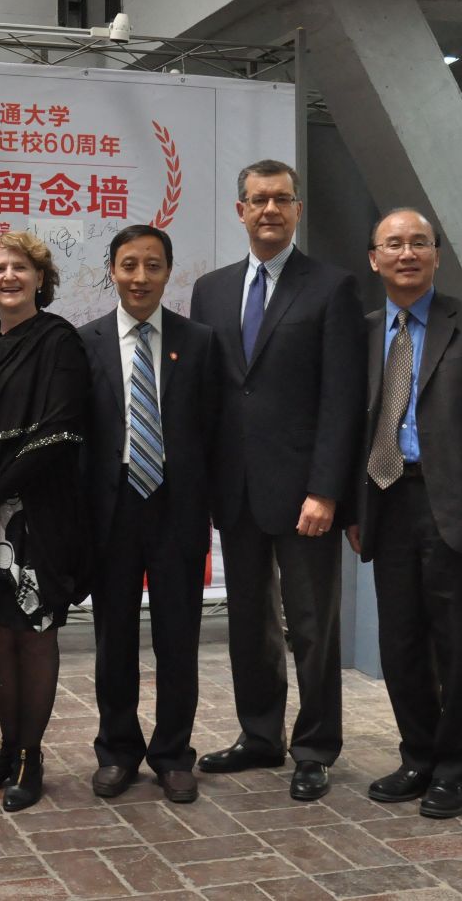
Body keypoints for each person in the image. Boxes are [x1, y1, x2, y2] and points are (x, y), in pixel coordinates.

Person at [188, 159, 365, 802]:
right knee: (249, 621)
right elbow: (210, 394)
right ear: (240, 210)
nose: (270, 210)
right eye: (259, 200)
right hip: (235, 490)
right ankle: (260, 735)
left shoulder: (332, 287)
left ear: (297, 210)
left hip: (304, 494)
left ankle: (315, 748)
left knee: (312, 627)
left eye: (282, 199)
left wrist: (326, 490)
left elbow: (342, 399)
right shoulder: (210, 290)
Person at [345, 209, 462, 819]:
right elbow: (351, 427)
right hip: (387, 498)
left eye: (419, 243)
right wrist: (353, 508)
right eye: (394, 244)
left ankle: (457, 768)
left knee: (460, 647)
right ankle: (418, 757)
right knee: (400, 643)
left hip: (459, 504)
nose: (407, 253)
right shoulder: (363, 331)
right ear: (374, 258)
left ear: (436, 255)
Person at [0, 232, 91, 812]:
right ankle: (6, 751)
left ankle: (31, 756)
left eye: (21, 267)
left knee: (34, 632)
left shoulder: (59, 340)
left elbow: (61, 428)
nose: (9, 276)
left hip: (36, 514)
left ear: (40, 279)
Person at [80, 224, 219, 805]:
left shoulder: (200, 341)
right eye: (129, 265)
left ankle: (172, 754)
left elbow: (215, 430)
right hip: (110, 512)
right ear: (111, 271)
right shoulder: (84, 342)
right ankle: (117, 751)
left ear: (168, 272)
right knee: (113, 639)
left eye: (153, 265)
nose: (140, 277)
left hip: (176, 508)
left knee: (178, 639)